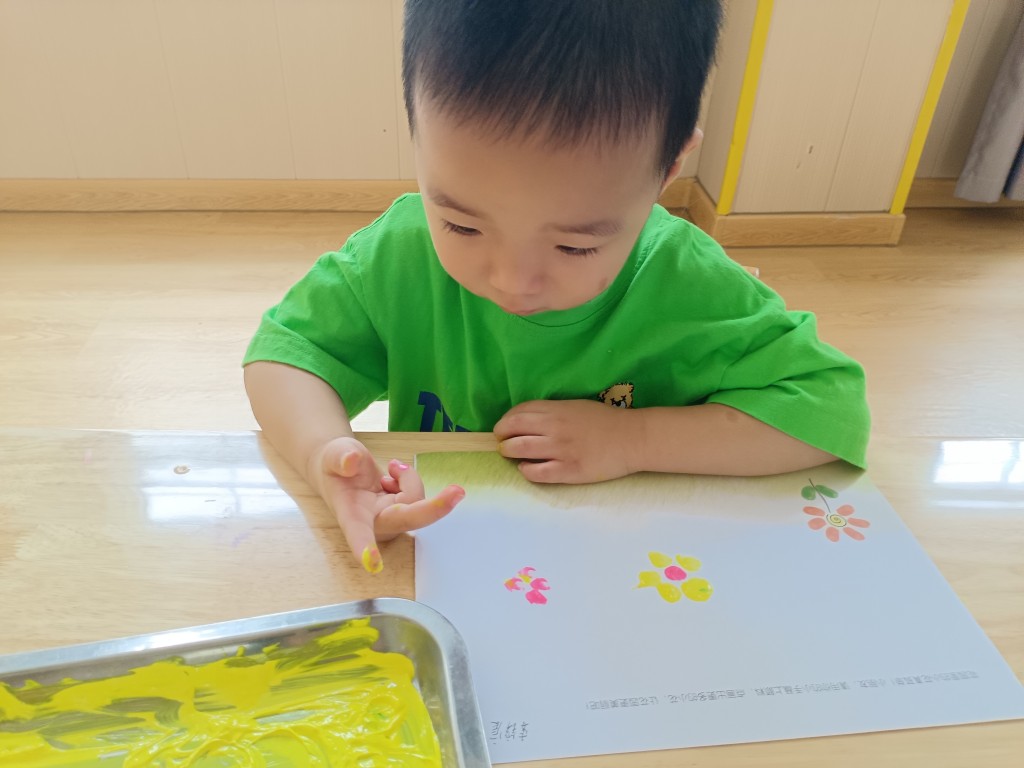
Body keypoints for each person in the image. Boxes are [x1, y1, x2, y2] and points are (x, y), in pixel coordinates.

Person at [243, 0, 870, 573]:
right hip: (452, 566)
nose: (513, 282)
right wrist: (326, 456)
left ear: (669, 167)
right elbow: (285, 356)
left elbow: (829, 410)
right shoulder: (399, 255)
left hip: (625, 573)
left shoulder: (689, 284)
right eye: (462, 225)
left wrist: (634, 439)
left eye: (575, 246)